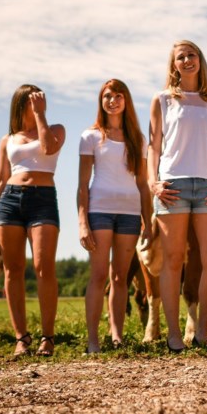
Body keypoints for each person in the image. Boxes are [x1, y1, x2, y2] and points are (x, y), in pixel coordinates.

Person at [147, 40, 207, 352]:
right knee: (173, 260)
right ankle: (174, 335)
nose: (187, 60)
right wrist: (153, 182)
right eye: (181, 57)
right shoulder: (163, 100)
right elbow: (154, 146)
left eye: (191, 54)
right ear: (174, 65)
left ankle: (203, 332)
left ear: (199, 61)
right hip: (173, 187)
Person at [0, 85, 65, 357]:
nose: (37, 103)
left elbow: (49, 149)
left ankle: (47, 338)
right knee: (12, 269)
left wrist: (40, 115)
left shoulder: (56, 129)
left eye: (39, 99)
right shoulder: (8, 139)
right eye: (31, 101)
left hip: (43, 199)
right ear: (19, 104)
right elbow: (1, 179)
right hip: (10, 201)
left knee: (43, 267)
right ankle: (21, 338)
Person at [77, 79, 153, 354]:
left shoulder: (138, 139)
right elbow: (82, 185)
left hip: (130, 215)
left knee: (120, 277)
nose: (113, 100)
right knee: (99, 276)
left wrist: (148, 220)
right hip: (100, 212)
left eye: (118, 96)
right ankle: (93, 340)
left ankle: (117, 335)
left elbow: (144, 185)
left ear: (126, 101)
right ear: (101, 101)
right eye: (107, 96)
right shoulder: (91, 136)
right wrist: (83, 222)